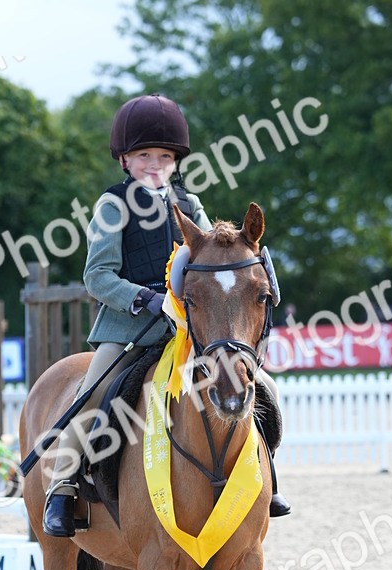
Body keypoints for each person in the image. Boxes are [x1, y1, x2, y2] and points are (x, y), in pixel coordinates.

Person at [42, 93, 291, 538]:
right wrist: (148, 299)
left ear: (176, 161)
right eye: (143, 156)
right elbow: (97, 276)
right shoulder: (112, 207)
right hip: (129, 328)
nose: (154, 164)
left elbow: (209, 260)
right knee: (92, 394)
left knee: (264, 387)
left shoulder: (189, 204)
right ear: (124, 159)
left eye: (163, 156)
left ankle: (265, 476)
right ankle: (63, 485)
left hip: (188, 329)